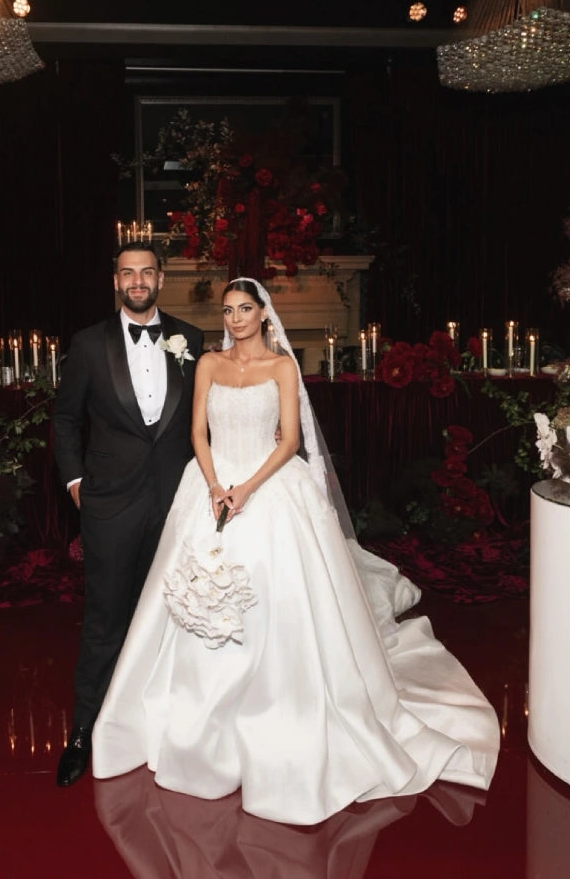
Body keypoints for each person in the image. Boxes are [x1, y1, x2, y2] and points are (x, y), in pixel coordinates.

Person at [91, 277, 500, 825]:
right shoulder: (208, 364)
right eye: (228, 310)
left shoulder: (283, 367)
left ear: (264, 314)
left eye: (245, 309)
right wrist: (214, 486)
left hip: (267, 484)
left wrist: (245, 489)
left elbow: (288, 442)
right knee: (188, 591)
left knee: (276, 594)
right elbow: (197, 434)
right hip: (211, 484)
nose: (235, 318)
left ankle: (279, 705)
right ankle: (188, 718)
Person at [51, 241, 204, 788]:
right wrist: (76, 483)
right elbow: (65, 419)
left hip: (177, 503)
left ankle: (166, 726)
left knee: (176, 617)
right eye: (127, 273)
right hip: (110, 504)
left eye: (146, 272)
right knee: (105, 619)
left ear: (161, 278)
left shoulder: (192, 339)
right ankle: (83, 732)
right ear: (115, 281)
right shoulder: (88, 343)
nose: (137, 280)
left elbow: (204, 418)